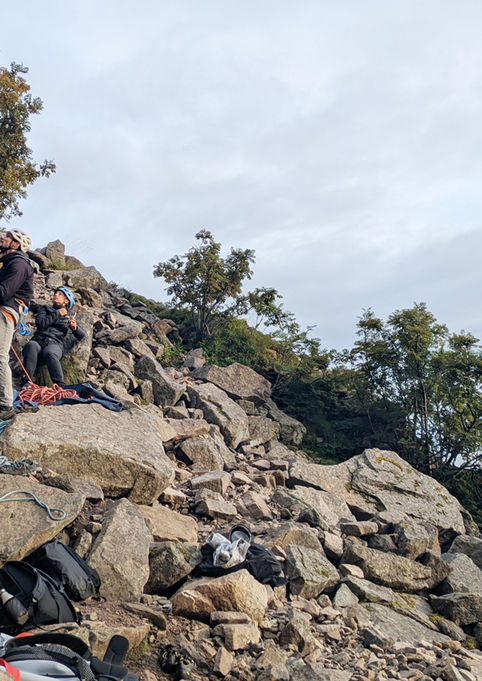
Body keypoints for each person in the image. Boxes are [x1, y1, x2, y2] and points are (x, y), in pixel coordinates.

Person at [0, 229, 35, 419]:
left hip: (5, 312)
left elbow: (4, 292)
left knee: (0, 357)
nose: (2, 238)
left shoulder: (19, 264)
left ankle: (5, 405)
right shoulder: (8, 263)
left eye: (7, 236)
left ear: (15, 244)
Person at [22, 287, 85, 388]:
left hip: (55, 344)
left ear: (66, 301)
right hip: (38, 341)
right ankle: (28, 382)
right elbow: (41, 323)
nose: (56, 295)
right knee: (31, 345)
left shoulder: (70, 316)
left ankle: (60, 386)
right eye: (56, 293)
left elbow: (81, 335)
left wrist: (75, 328)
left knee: (50, 352)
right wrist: (57, 313)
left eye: (60, 294)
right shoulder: (45, 309)